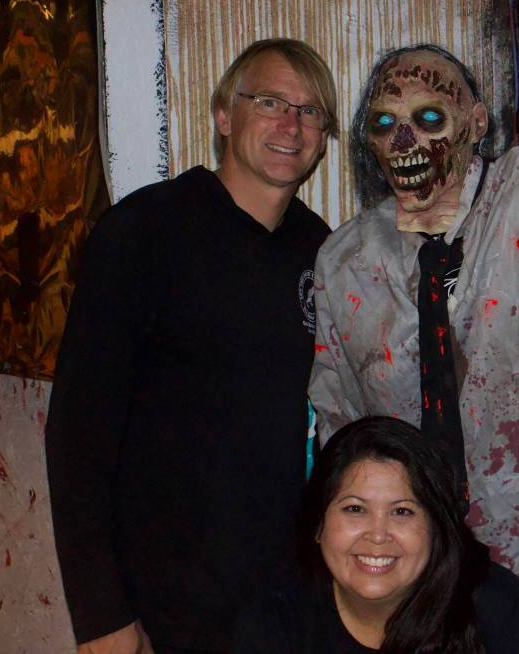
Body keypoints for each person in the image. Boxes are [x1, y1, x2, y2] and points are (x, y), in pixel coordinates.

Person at [308, 44, 519, 652]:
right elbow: (341, 444)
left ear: (476, 120)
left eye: (430, 118)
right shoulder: (345, 262)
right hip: (401, 587)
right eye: (384, 124)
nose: (403, 140)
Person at [46, 38, 339, 653]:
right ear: (224, 116)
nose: (292, 124)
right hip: (163, 603)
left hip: (284, 602)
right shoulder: (144, 232)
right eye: (271, 101)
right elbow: (79, 434)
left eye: (311, 111)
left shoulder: (323, 251)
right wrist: (101, 616)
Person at [232, 416, 519, 653]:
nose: (378, 535)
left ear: (437, 529)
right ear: (317, 524)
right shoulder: (276, 623)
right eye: (355, 509)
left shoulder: (495, 607)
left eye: (402, 511)